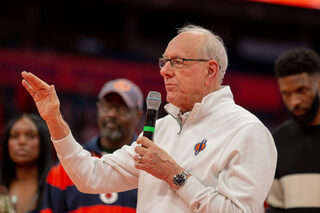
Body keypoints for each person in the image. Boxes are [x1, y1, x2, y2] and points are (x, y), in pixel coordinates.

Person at [21, 24, 277, 213]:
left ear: (210, 70)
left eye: (177, 62)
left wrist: (175, 175)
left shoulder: (247, 131)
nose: (164, 71)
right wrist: (54, 119)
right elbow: (91, 176)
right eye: (164, 62)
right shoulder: (162, 128)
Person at [41, 78, 143, 212]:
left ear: (138, 115)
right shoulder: (66, 168)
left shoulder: (148, 167)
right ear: (98, 108)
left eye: (121, 109)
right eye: (107, 106)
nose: (112, 114)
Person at [266, 48, 320, 212]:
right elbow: (276, 208)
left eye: (301, 90)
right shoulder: (277, 141)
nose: (294, 101)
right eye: (286, 94)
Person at [0, 113, 52, 213]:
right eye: (15, 136)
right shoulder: (2, 185)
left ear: (43, 142)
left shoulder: (55, 187)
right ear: (7, 143)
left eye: (31, 136)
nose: (22, 142)